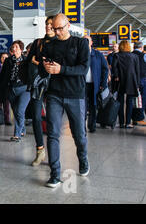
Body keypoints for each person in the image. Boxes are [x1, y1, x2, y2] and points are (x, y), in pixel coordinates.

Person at [41, 13, 90, 188]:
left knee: (79, 135)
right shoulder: (49, 44)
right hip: (54, 93)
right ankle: (55, 174)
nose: (57, 31)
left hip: (75, 94)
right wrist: (44, 66)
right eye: (54, 29)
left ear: (68, 25)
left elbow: (83, 69)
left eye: (60, 28)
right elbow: (42, 66)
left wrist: (61, 69)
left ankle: (83, 159)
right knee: (53, 133)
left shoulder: (80, 43)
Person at [26, 16, 56, 166]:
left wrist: (40, 63)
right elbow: (29, 60)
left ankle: (53, 152)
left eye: (51, 24)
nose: (48, 26)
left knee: (52, 119)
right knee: (36, 117)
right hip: (38, 84)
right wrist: (40, 64)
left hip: (54, 85)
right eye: (47, 24)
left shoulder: (60, 43)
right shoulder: (38, 43)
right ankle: (40, 150)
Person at [0, 40, 30, 142]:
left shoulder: (26, 60)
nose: (14, 48)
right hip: (11, 89)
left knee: (19, 110)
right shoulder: (8, 61)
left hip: (24, 89)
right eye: (13, 47)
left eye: (16, 47)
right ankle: (22, 129)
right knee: (17, 111)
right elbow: (3, 76)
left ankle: (17, 134)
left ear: (21, 49)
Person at [111, 40, 140, 129]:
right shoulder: (134, 56)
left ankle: (121, 122)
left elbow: (114, 67)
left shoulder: (117, 56)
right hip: (131, 81)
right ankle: (128, 123)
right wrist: (137, 83)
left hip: (120, 81)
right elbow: (137, 71)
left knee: (120, 102)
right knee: (129, 102)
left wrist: (116, 76)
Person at [83, 36, 109, 133]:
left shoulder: (98, 55)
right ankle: (82, 127)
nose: (85, 42)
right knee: (82, 106)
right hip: (83, 85)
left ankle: (92, 125)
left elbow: (105, 69)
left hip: (95, 85)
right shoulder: (79, 54)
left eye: (87, 40)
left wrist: (103, 83)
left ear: (91, 43)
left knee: (93, 105)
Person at [132, 42, 146, 124]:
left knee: (133, 99)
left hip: (132, 80)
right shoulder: (143, 55)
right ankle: (139, 117)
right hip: (142, 80)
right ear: (141, 48)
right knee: (142, 100)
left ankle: (133, 118)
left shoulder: (131, 55)